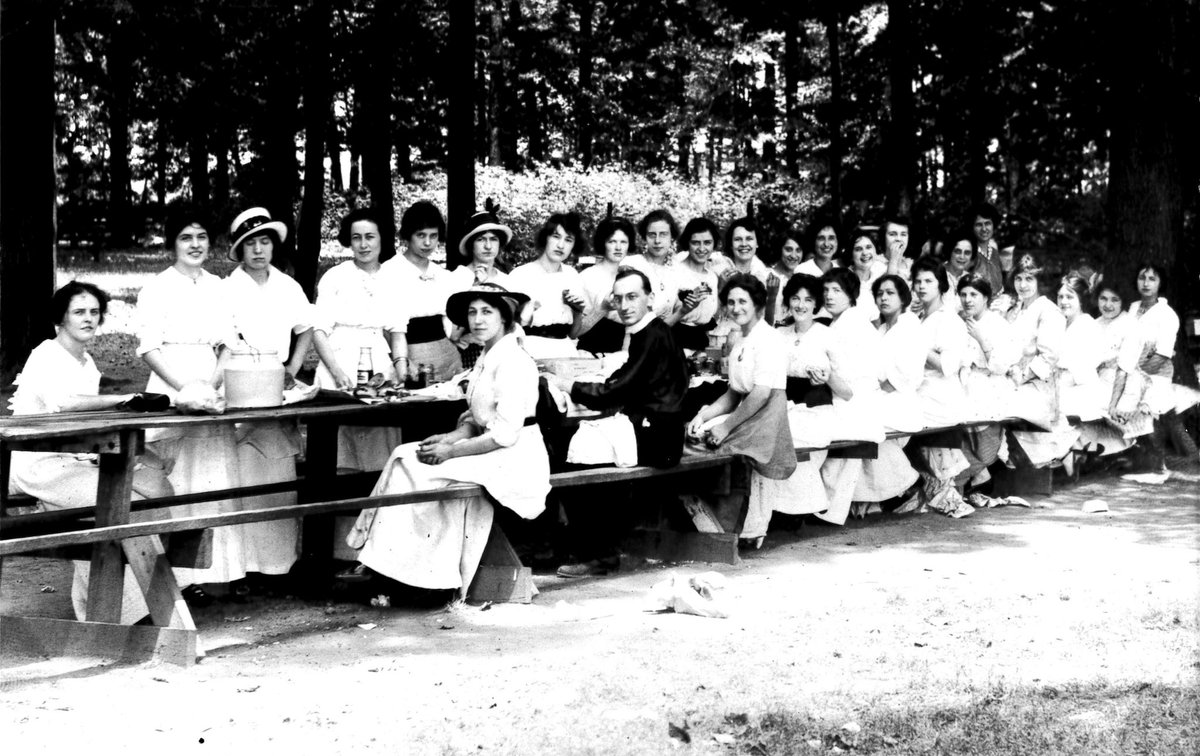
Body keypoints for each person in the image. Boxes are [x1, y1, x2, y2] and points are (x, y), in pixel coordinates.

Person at [346, 283, 549, 596]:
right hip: (488, 450)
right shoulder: (486, 357)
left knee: (421, 472)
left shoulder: (514, 361)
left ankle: (426, 578)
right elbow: (476, 420)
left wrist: (450, 452)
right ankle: (386, 564)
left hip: (515, 458)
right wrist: (447, 438)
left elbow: (504, 434)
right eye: (472, 312)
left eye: (487, 312)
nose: (477, 319)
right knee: (404, 455)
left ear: (505, 317)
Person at [8, 281, 170, 623]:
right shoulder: (46, 355)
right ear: (61, 318)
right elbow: (63, 403)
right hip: (38, 465)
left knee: (154, 491)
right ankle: (121, 613)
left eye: (94, 312)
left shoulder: (87, 362)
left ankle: (112, 609)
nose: (88, 319)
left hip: (74, 458)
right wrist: (122, 399)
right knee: (120, 506)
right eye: (79, 312)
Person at [549, 269, 690, 577]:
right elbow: (629, 376)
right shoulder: (649, 332)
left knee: (574, 453)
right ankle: (590, 547)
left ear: (650, 298)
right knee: (580, 445)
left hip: (658, 437)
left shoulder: (652, 334)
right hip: (655, 429)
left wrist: (569, 386)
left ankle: (598, 554)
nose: (625, 305)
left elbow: (616, 391)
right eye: (619, 298)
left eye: (632, 297)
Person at [137, 204, 247, 595]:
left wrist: (211, 386)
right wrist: (184, 390)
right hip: (171, 382)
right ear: (172, 244)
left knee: (215, 473)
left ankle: (220, 575)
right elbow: (149, 348)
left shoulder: (218, 286)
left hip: (210, 383)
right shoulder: (157, 287)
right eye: (186, 237)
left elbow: (227, 344)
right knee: (179, 478)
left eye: (201, 237)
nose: (195, 245)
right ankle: (179, 581)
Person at [223, 206, 315, 581]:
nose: (258, 251)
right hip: (241, 380)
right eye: (250, 244)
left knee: (278, 466)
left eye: (265, 242)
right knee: (244, 469)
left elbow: (306, 326)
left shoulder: (287, 285)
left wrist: (291, 368)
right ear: (240, 250)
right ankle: (244, 567)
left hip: (276, 380)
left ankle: (280, 564)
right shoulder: (227, 288)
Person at [686, 274, 797, 545]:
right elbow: (733, 392)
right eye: (731, 302)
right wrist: (702, 416)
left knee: (705, 449)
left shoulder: (768, 339)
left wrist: (725, 426)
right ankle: (709, 522)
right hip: (747, 410)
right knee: (691, 437)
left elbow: (761, 393)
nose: (736, 308)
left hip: (765, 415)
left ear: (758, 304)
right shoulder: (741, 340)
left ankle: (728, 528)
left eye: (743, 302)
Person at [311, 207, 406, 472]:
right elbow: (319, 331)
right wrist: (337, 371)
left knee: (379, 447)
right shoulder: (336, 277)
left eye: (370, 237)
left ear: (381, 239)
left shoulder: (393, 279)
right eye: (356, 238)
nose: (363, 245)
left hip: (378, 363)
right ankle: (338, 511)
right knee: (339, 449)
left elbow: (398, 332)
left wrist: (400, 368)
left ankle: (376, 510)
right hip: (338, 362)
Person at [1108, 263, 1195, 482]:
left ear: (1160, 283)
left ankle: (1161, 462)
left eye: (1152, 279)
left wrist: (1132, 378)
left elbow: (1161, 356)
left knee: (1149, 411)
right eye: (1142, 278)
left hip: (1156, 376)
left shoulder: (1167, 315)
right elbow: (1127, 349)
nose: (1146, 283)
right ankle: (1140, 456)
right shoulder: (1134, 308)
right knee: (1113, 404)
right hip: (1131, 374)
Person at [908, 257, 973, 518]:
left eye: (928, 281)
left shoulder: (949, 320)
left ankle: (930, 486)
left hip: (938, 396)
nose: (922, 286)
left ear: (941, 286)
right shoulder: (919, 317)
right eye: (918, 281)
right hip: (921, 391)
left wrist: (916, 346)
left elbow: (947, 366)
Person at [382, 201, 463, 381]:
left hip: (447, 355)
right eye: (421, 235)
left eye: (433, 236)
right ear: (408, 235)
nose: (427, 242)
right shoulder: (390, 271)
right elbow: (386, 329)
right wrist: (402, 362)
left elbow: (451, 328)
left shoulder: (442, 274)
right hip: (407, 353)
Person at [1004, 254, 1069, 467]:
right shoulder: (1014, 310)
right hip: (1011, 376)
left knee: (1001, 404)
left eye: (1029, 279)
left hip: (1037, 383)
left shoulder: (1049, 311)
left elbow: (1049, 356)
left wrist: (1022, 376)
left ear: (1039, 281)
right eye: (1019, 278)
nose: (1023, 285)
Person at [509, 212, 588, 359]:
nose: (561, 245)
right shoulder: (520, 275)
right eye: (556, 236)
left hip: (564, 351)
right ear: (545, 237)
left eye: (568, 240)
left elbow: (573, 333)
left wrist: (577, 312)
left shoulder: (572, 276)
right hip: (529, 350)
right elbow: (508, 326)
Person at [448, 207, 515, 368]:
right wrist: (476, 287)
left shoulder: (506, 280)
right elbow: (452, 333)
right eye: (481, 239)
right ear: (471, 244)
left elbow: (512, 325)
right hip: (467, 356)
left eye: (493, 239)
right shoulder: (457, 278)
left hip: (503, 355)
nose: (487, 246)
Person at [576, 215, 636, 354]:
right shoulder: (587, 277)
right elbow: (577, 330)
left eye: (623, 242)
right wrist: (603, 309)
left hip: (626, 348)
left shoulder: (630, 276)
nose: (618, 247)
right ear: (603, 243)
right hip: (593, 348)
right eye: (612, 241)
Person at [671, 217, 723, 351]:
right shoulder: (675, 270)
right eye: (695, 243)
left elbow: (711, 315)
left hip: (701, 342)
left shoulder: (712, 277)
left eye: (707, 242)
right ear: (687, 243)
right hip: (675, 339)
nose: (701, 248)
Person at [625, 209, 683, 324]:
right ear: (644, 237)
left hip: (664, 337)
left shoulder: (676, 269)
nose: (657, 241)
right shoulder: (632, 264)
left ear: (672, 237)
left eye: (663, 234)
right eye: (652, 235)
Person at [847, 228, 886, 322]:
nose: (865, 253)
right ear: (851, 255)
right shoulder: (844, 280)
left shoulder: (880, 271)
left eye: (868, 247)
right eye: (858, 249)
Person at [767, 227, 805, 323]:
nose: (793, 255)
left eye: (798, 250)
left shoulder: (803, 279)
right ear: (780, 249)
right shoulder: (766, 276)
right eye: (788, 249)